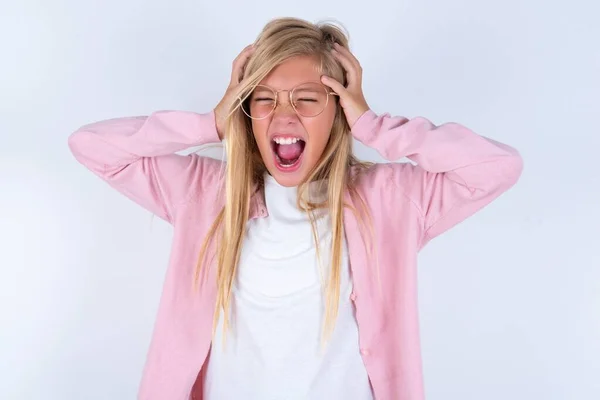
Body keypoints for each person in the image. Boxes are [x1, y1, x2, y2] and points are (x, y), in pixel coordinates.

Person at [68, 17, 523, 400]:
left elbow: (496, 166)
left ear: (337, 111)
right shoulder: (205, 193)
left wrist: (374, 124)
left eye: (307, 99)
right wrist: (210, 123)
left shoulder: (390, 201)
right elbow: (91, 146)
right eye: (265, 99)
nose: (284, 117)